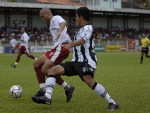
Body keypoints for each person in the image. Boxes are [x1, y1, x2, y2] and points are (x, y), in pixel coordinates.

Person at [33, 7, 119, 111]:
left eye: (76, 16)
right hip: (75, 61)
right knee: (52, 70)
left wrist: (70, 45)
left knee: (89, 81)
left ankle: (112, 102)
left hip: (86, 61)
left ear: (81, 16)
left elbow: (83, 40)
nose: (75, 19)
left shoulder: (88, 27)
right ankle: (47, 96)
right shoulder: (80, 30)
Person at [31, 8, 74, 103]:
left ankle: (64, 89)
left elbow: (63, 22)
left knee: (46, 70)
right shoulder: (51, 22)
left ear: (47, 13)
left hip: (61, 48)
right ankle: (43, 89)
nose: (42, 19)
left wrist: (59, 32)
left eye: (42, 16)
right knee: (37, 64)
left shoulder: (56, 18)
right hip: (56, 48)